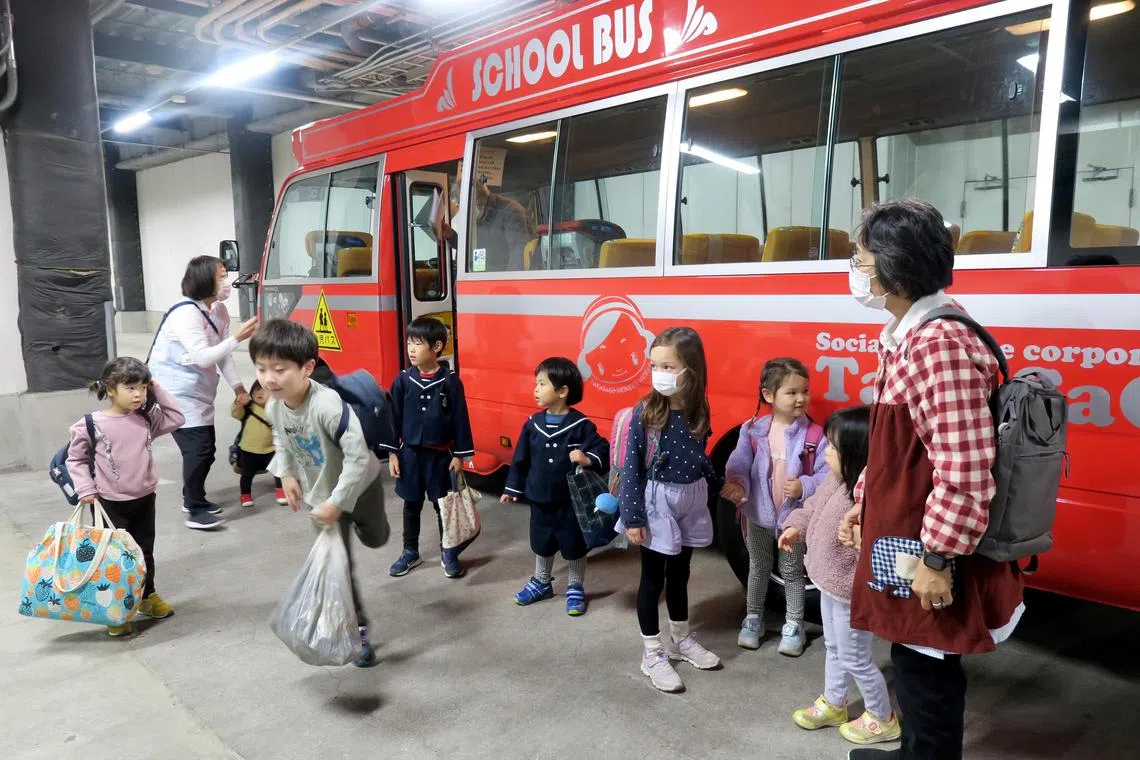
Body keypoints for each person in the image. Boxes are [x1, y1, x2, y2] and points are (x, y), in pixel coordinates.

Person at [837, 199, 1025, 760]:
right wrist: (862, 501)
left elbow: (965, 467)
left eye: (860, 257)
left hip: (926, 545)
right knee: (912, 656)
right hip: (904, 535)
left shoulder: (936, 343)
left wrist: (938, 561)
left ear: (894, 267)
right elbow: (897, 446)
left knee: (929, 670)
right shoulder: (909, 333)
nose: (856, 268)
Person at [252, 319, 390, 668]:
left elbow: (358, 458)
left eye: (280, 370)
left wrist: (339, 503)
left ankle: (365, 524)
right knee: (339, 565)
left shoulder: (327, 406)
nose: (269, 379)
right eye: (262, 368)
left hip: (362, 485)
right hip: (320, 493)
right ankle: (357, 631)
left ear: (307, 368)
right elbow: (282, 437)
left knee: (375, 538)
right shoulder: (273, 404)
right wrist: (285, 473)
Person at [779, 406, 901, 746]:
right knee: (834, 647)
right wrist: (795, 527)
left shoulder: (868, 498)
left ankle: (882, 717)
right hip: (827, 582)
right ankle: (835, 703)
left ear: (858, 455)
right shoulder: (835, 481)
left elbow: (875, 548)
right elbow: (812, 507)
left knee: (856, 657)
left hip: (850, 591)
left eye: (833, 448)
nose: (825, 452)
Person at [616, 326, 720, 693]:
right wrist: (632, 518)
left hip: (691, 498)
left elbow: (698, 456)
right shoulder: (645, 412)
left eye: (667, 365)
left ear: (691, 369)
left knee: (680, 573)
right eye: (653, 365)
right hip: (656, 501)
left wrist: (721, 483)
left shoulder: (698, 407)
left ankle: (680, 639)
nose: (658, 373)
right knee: (652, 580)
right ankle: (652, 652)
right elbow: (632, 467)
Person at [66, 357, 186, 637]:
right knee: (112, 557)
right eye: (130, 388)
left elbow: (177, 417)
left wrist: (156, 387)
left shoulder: (144, 419)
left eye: (142, 388)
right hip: (109, 503)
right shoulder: (91, 424)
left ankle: (147, 596)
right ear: (109, 389)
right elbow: (76, 459)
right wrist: (86, 489)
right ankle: (114, 608)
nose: (138, 394)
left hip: (144, 498)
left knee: (144, 551)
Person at [722, 358, 830, 656]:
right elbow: (739, 464)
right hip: (757, 515)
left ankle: (793, 624)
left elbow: (827, 474)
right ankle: (753, 618)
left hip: (793, 520)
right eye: (791, 392)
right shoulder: (753, 431)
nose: (801, 398)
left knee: (793, 571)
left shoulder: (814, 436)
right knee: (758, 566)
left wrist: (804, 486)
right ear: (769, 395)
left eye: (805, 391)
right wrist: (737, 484)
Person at [148, 255, 258, 530]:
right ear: (203, 280)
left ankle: (193, 497)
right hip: (174, 391)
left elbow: (222, 356)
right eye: (221, 276)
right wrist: (238, 338)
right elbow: (203, 356)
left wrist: (239, 387)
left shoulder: (217, 311)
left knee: (206, 450)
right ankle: (195, 511)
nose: (227, 281)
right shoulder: (185, 313)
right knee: (198, 449)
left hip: (199, 391)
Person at [501, 357, 609, 616]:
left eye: (541, 384)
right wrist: (511, 488)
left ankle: (575, 586)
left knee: (574, 545)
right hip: (539, 498)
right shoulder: (532, 424)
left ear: (562, 391)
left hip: (570, 501)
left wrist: (586, 458)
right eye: (535, 383)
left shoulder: (581, 426)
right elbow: (520, 459)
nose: (535, 389)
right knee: (542, 542)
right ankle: (541, 582)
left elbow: (602, 448)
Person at [382, 316, 475, 579]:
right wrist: (392, 453)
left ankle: (449, 551)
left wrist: (459, 455)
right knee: (411, 504)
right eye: (409, 343)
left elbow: (460, 419)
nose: (411, 349)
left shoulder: (450, 382)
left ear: (436, 347)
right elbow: (394, 418)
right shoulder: (402, 381)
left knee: (441, 505)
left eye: (418, 344)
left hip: (440, 458)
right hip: (409, 455)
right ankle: (410, 551)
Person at [231, 381, 286, 509]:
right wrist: (238, 403)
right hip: (249, 449)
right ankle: (245, 494)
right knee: (247, 474)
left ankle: (281, 490)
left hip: (271, 448)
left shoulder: (276, 407)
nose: (260, 392)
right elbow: (235, 413)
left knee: (278, 471)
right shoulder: (249, 408)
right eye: (256, 389)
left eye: (265, 390)